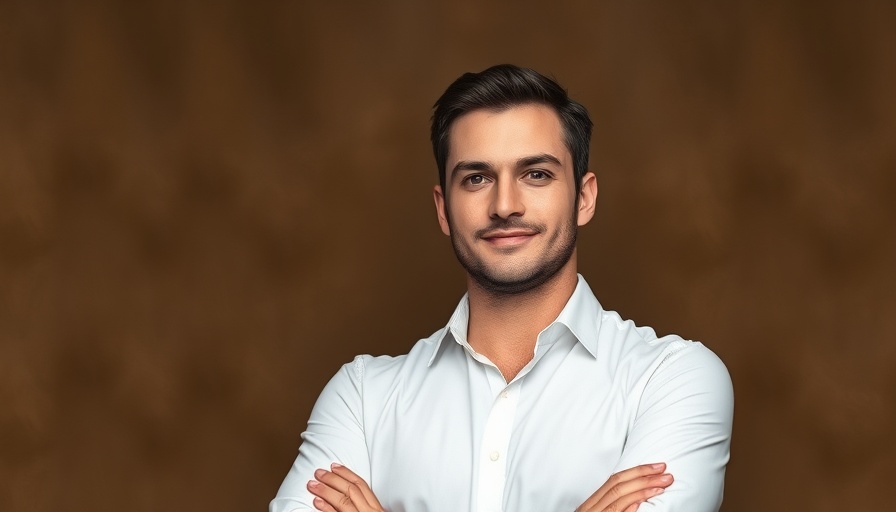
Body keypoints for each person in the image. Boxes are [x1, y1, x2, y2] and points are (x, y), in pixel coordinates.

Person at [270, 64, 733, 512]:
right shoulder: (361, 398)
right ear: (443, 209)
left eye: (536, 174)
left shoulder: (672, 381)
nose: (505, 205)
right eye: (476, 179)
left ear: (584, 197)